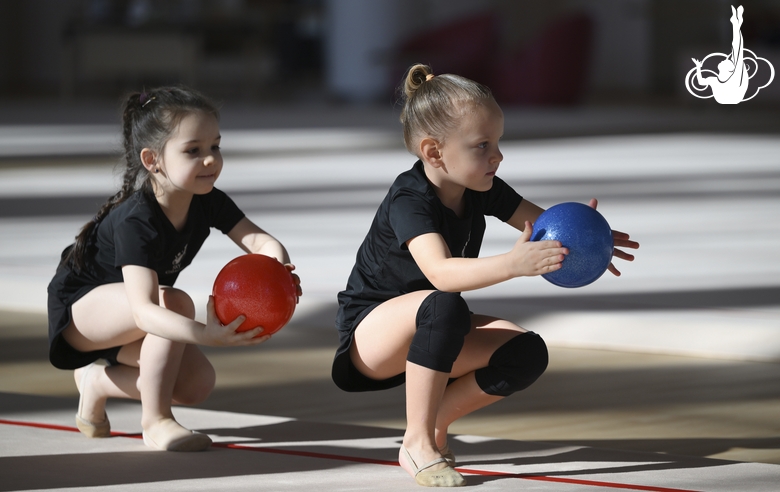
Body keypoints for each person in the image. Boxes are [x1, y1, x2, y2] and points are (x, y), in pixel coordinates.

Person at [332, 64, 639, 487]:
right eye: (482, 145)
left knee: (525, 353)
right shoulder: (410, 198)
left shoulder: (482, 186)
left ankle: (436, 419)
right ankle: (417, 441)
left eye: (497, 142)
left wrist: (589, 241)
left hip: (436, 329)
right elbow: (440, 274)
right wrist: (513, 265)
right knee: (445, 301)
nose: (497, 155)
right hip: (371, 338)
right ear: (434, 152)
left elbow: (545, 225)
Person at [47, 86, 301, 452]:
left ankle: (97, 382)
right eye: (193, 151)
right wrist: (205, 333)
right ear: (153, 160)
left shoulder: (207, 201)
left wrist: (277, 272)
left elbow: (261, 242)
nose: (211, 159)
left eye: (215, 146)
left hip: (134, 316)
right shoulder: (137, 220)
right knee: (175, 302)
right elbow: (145, 310)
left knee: (195, 383)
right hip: (83, 316)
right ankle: (156, 421)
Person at [692, 5, 748, 104]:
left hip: (733, 97)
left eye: (727, 61)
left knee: (737, 52)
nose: (725, 59)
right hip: (725, 98)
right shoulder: (714, 80)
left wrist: (736, 26)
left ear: (729, 69)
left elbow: (737, 48)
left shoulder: (734, 77)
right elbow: (701, 82)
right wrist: (698, 67)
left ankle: (736, 24)